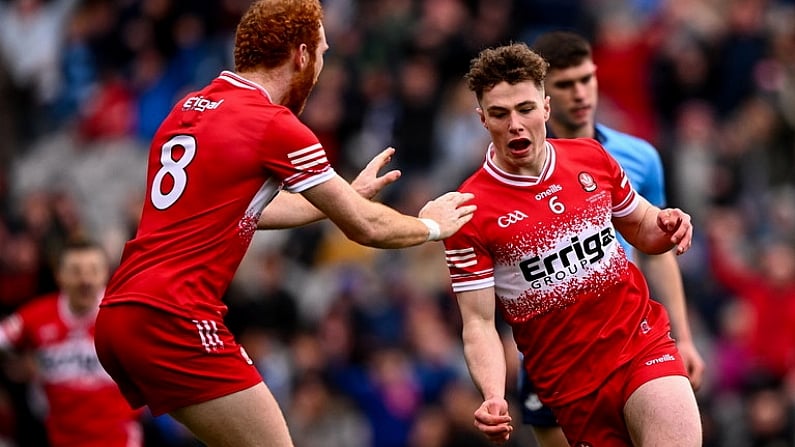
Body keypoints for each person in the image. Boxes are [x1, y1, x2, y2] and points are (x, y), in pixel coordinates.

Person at [93, 1, 476, 447]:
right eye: (323, 54)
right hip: (173, 315)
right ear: (301, 55)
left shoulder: (188, 107)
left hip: (120, 313)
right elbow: (365, 229)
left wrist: (342, 197)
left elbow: (241, 212)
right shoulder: (273, 124)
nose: (320, 69)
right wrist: (430, 225)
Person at [443, 42, 702, 446]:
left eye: (525, 109)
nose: (515, 124)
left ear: (545, 108)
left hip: (640, 343)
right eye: (499, 113)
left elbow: (642, 227)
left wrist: (669, 223)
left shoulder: (591, 158)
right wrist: (493, 394)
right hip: (571, 386)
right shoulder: (468, 212)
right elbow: (478, 323)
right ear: (482, 119)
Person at [514, 30, 706, 447]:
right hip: (557, 352)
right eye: (565, 85)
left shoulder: (639, 157)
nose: (580, 93)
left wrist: (685, 338)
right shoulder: (515, 177)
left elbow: (657, 249)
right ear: (543, 99)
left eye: (587, 79)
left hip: (628, 337)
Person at [0, 239, 142, 447]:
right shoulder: (36, 316)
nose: (85, 279)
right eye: (76, 271)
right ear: (59, 275)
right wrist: (13, 364)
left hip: (118, 439)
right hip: (61, 439)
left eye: (93, 270)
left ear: (106, 274)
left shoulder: (125, 316)